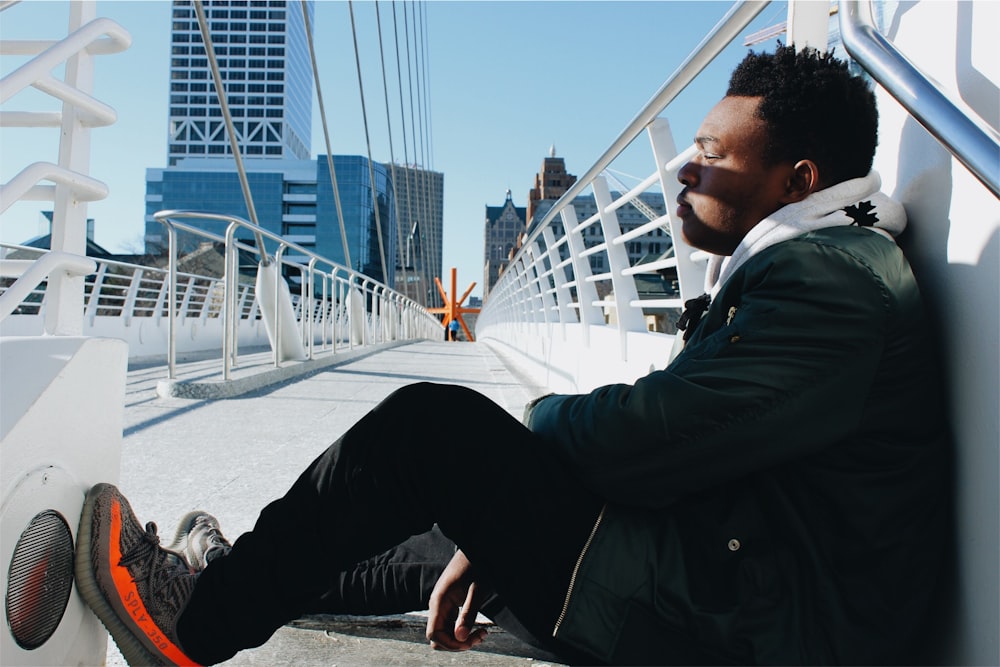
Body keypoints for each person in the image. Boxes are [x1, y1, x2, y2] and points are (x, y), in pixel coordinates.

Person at [75, 45, 949, 666]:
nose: (684, 170)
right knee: (446, 531)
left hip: (764, 633)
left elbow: (656, 436)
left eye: (713, 155)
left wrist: (535, 423)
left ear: (799, 179)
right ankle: (223, 575)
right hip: (743, 588)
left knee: (431, 431)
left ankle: (193, 625)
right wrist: (497, 530)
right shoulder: (828, 262)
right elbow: (708, 445)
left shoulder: (835, 284)